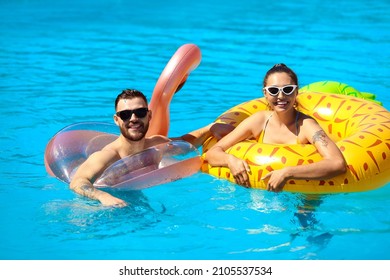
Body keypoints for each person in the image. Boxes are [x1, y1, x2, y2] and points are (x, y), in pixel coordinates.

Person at [205, 63, 347, 192]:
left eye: (288, 89)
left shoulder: (306, 126)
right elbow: (213, 152)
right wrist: (231, 160)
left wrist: (287, 172)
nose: (281, 96)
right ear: (265, 94)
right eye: (273, 90)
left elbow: (337, 163)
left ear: (296, 92)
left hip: (303, 196)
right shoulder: (259, 121)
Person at [70, 89, 213, 207]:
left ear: (149, 115)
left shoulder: (157, 145)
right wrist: (103, 197)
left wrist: (211, 128)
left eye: (140, 112)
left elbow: (185, 145)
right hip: (107, 207)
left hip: (141, 200)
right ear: (116, 120)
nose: (133, 118)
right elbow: (78, 182)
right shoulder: (108, 156)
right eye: (125, 114)